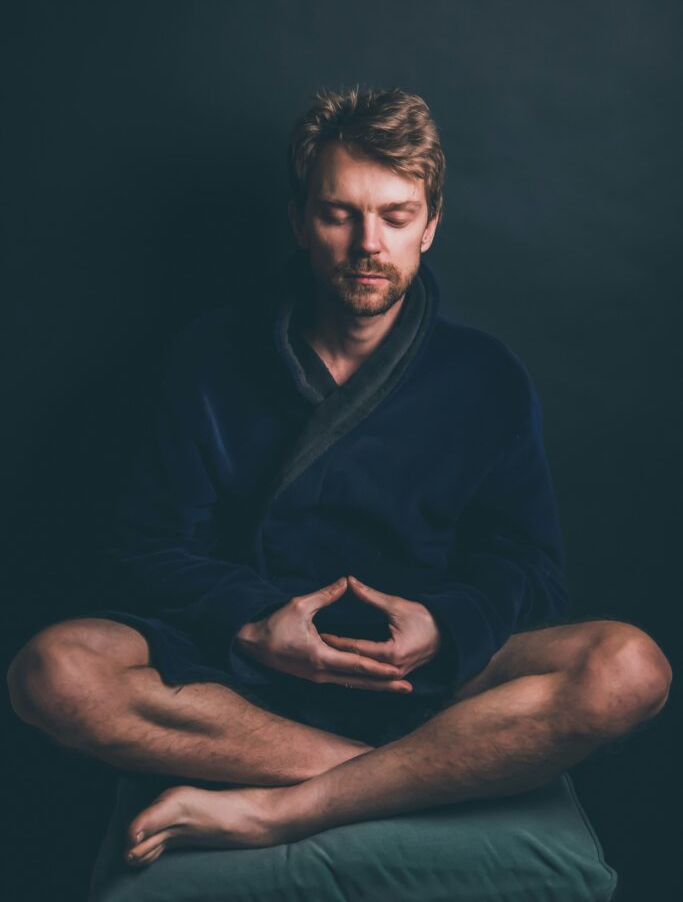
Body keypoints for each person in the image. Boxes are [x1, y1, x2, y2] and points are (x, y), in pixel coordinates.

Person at [7, 86, 672, 867]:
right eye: (339, 213)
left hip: (420, 679)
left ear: (430, 225)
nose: (368, 243)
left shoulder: (486, 376)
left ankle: (288, 808)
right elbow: (145, 549)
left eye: (394, 215)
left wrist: (444, 628)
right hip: (247, 676)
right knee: (51, 671)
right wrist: (256, 623)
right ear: (299, 222)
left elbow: (528, 569)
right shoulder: (208, 358)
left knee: (630, 668)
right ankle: (421, 778)